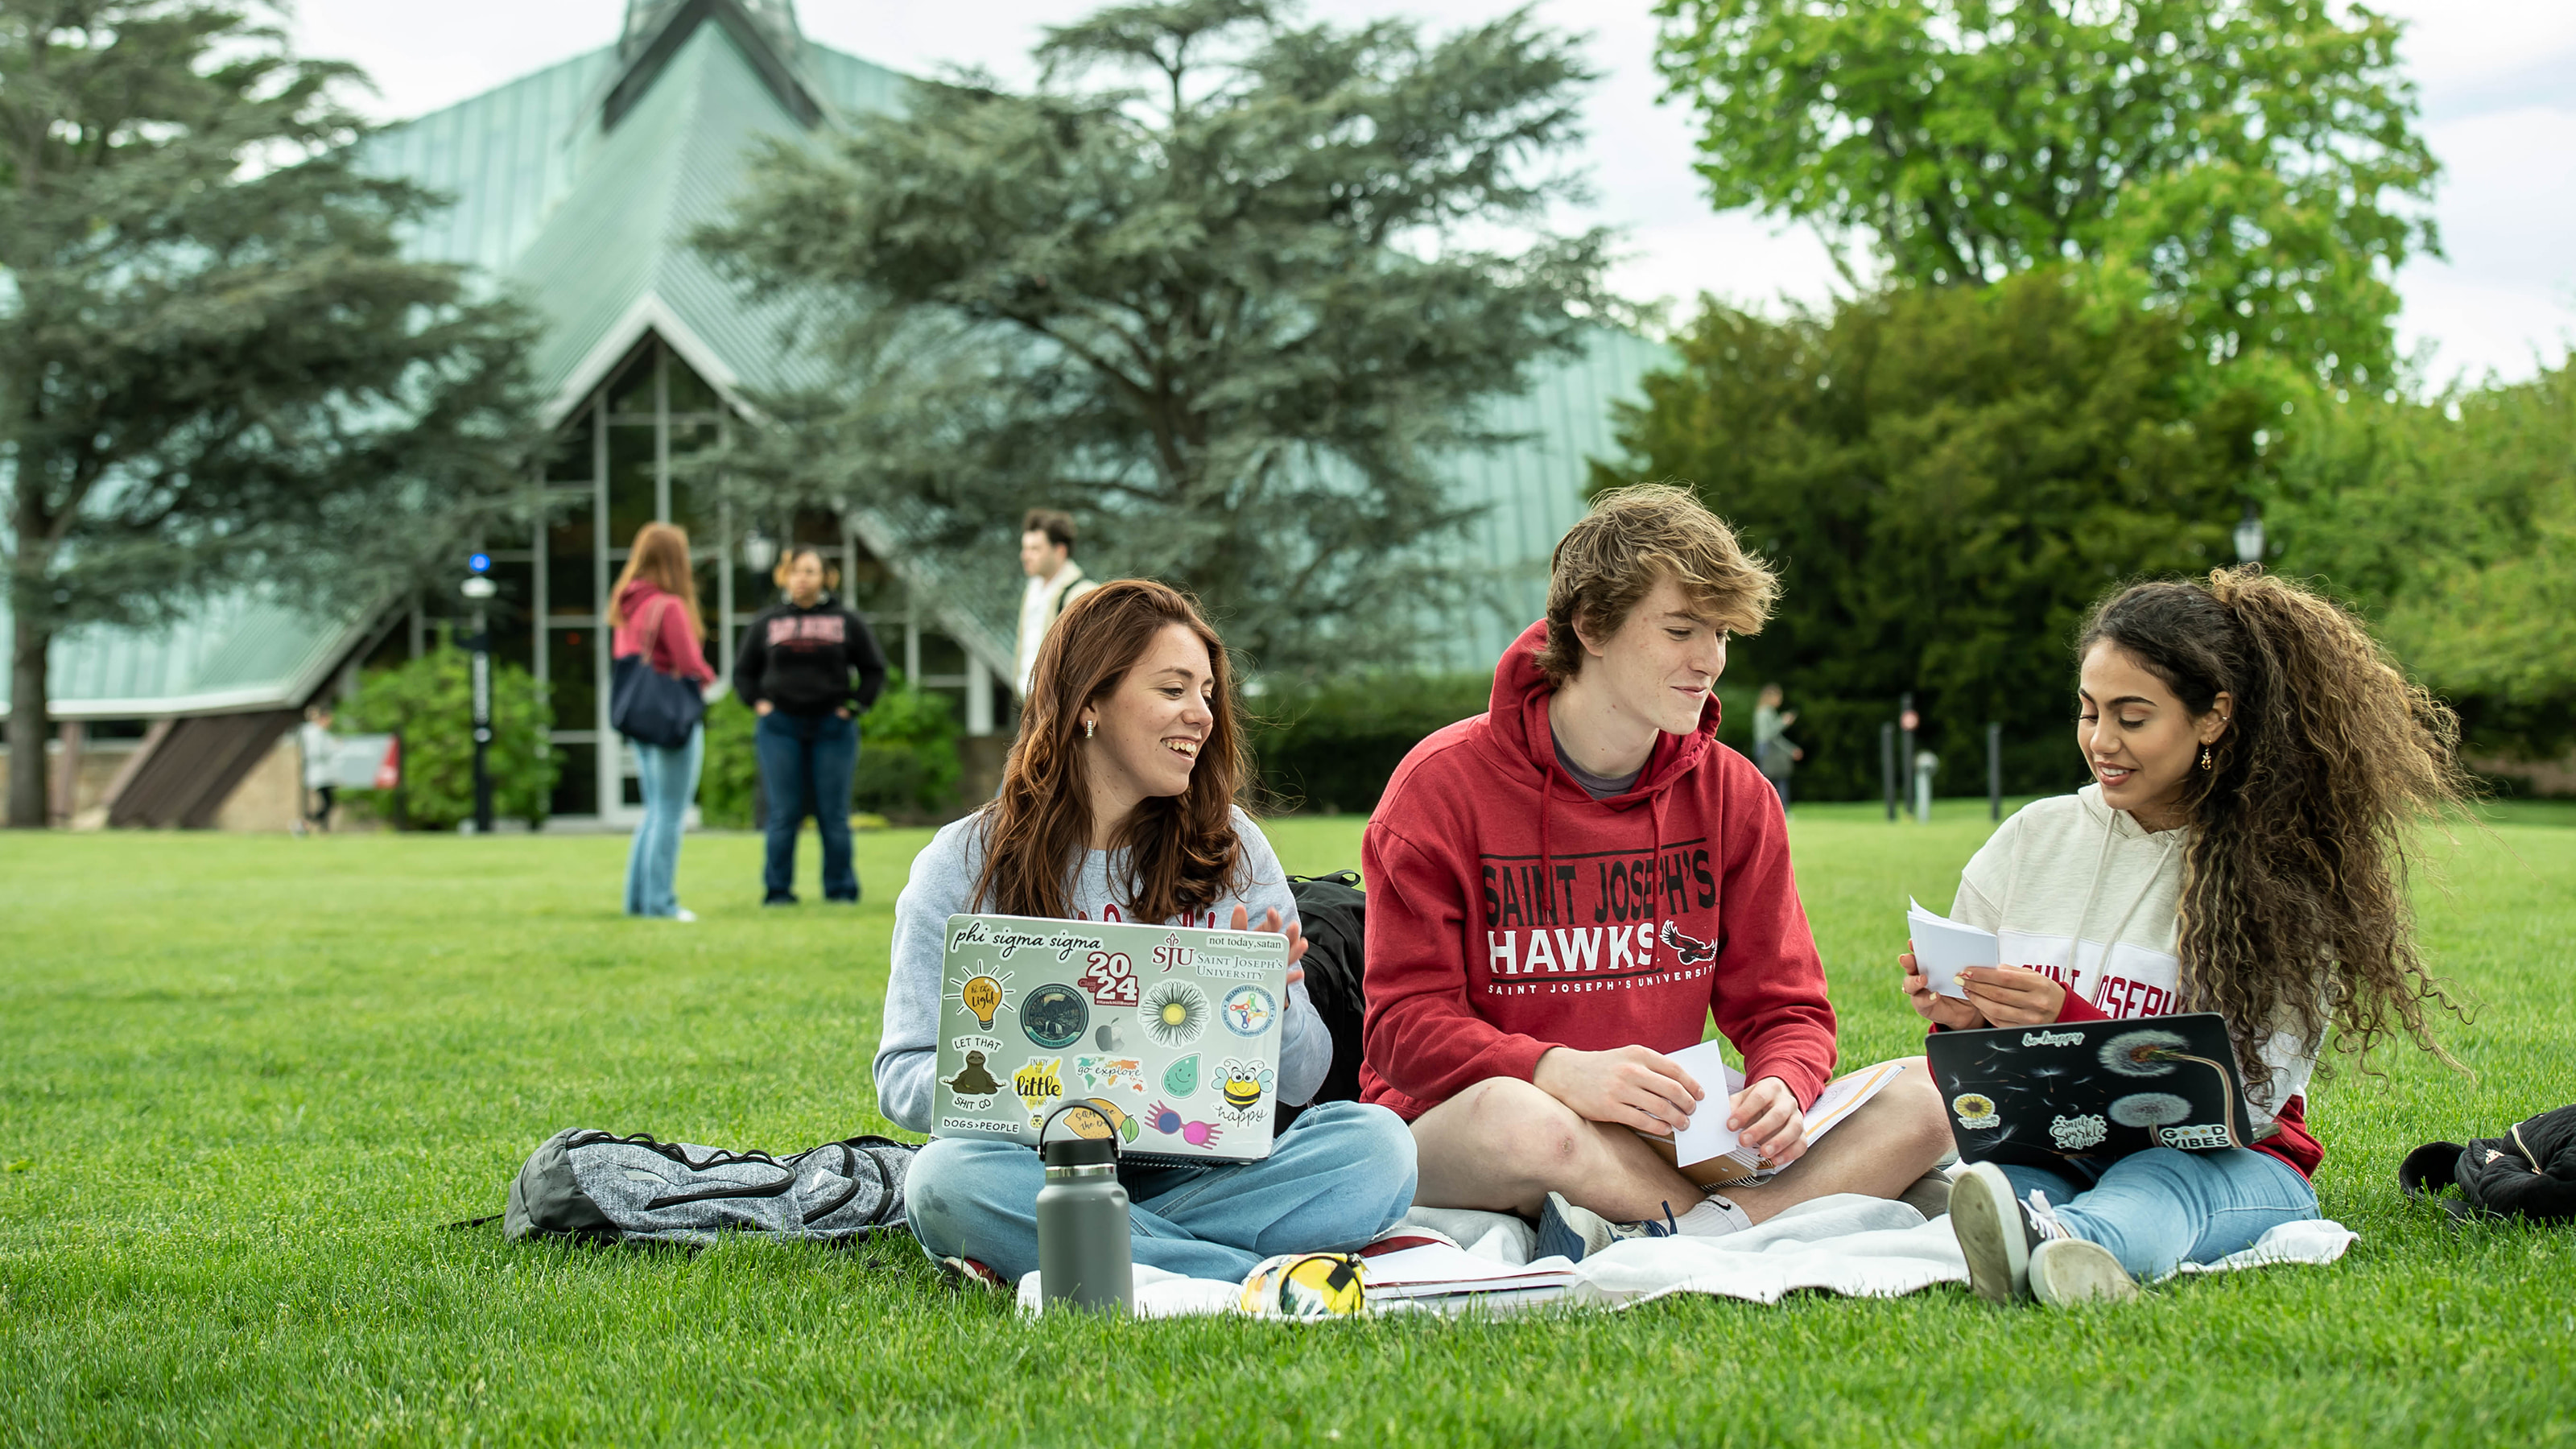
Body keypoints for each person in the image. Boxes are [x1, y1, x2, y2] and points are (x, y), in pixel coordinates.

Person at [1360, 485, 1952, 1260]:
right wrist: (1557, 1070)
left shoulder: (1735, 794)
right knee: (1522, 1121)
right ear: (1593, 625)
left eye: (1721, 634)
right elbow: (1403, 1029)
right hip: (1488, 1120)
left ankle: (1697, 1230)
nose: (1709, 661)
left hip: (1668, 1124)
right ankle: (1781, 1216)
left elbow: (1787, 1011)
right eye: (1681, 629)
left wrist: (1783, 1086)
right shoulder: (1440, 787)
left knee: (1931, 1093)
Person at [1907, 567, 2475, 1307]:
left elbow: (2252, 1101)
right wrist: (1965, 1019)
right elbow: (1984, 1078)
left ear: (2213, 717)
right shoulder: (2030, 840)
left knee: (2154, 1187)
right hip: (2058, 1144)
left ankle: (2072, 1248)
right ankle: (2034, 1235)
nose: (2101, 741)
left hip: (2225, 1160)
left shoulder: (2275, 876)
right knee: (2004, 1182)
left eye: (2132, 717)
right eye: (2088, 712)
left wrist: (2067, 1020)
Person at [877, 579, 1416, 1286]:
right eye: (1173, 690)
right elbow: (903, 1074)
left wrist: (1279, 1001)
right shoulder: (964, 860)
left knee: (1378, 1147)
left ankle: (1104, 1255)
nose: (1202, 714)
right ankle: (1238, 1277)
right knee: (946, 1178)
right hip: (1044, 1171)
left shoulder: (1236, 847)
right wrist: (1037, 1093)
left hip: (1213, 1172)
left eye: (1208, 692)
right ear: (1089, 702)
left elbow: (1304, 1079)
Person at [733, 547, 889, 906]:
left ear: (825, 577)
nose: (802, 578)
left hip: (832, 728)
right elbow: (743, 673)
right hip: (780, 728)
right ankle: (778, 891)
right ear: (784, 576)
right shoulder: (767, 622)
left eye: (810, 571)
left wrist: (854, 706)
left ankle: (841, 890)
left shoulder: (846, 621)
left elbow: (873, 669)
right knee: (783, 811)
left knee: (832, 813)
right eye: (796, 571)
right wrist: (760, 704)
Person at [609, 522, 717, 921]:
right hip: (672, 718)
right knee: (671, 812)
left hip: (640, 717)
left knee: (654, 810)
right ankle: (661, 903)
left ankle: (637, 901)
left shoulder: (626, 602)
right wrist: (711, 680)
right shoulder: (668, 605)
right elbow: (689, 662)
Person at [1013, 508, 1099, 697]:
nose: (1025, 556)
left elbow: (1088, 664)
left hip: (1059, 707)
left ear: (1060, 551)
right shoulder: (1032, 589)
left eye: (1034, 549)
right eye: (1025, 548)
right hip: (1030, 704)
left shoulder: (1082, 593)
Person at [1751, 683, 1802, 813]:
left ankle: (1772, 810)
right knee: (1773, 780)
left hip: (1766, 748)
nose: (1780, 700)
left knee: (1771, 780)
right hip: (1767, 749)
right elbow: (1769, 735)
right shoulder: (1764, 713)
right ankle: (1778, 810)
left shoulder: (1765, 712)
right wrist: (1783, 722)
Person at [297, 704, 336, 833]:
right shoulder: (312, 732)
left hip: (323, 774)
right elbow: (318, 752)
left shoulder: (319, 732)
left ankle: (307, 823)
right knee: (328, 803)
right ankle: (305, 823)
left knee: (327, 803)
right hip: (319, 774)